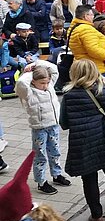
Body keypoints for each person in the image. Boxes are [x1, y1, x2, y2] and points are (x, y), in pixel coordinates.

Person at [59, 59, 105, 221]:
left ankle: (97, 216)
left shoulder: (68, 95)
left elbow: (64, 123)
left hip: (81, 141)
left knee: (89, 177)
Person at [16, 61, 71, 195]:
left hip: (53, 125)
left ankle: (56, 175)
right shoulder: (28, 92)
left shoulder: (50, 86)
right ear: (33, 81)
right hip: (39, 128)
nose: (45, 85)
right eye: (42, 83)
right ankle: (41, 182)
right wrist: (29, 71)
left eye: (47, 82)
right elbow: (21, 83)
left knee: (55, 151)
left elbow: (54, 69)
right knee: (40, 154)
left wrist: (36, 63)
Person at [68, 4, 105, 76]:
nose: (93, 17)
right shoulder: (86, 29)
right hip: (95, 68)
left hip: (85, 65)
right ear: (85, 16)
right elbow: (93, 50)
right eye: (91, 15)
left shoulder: (74, 27)